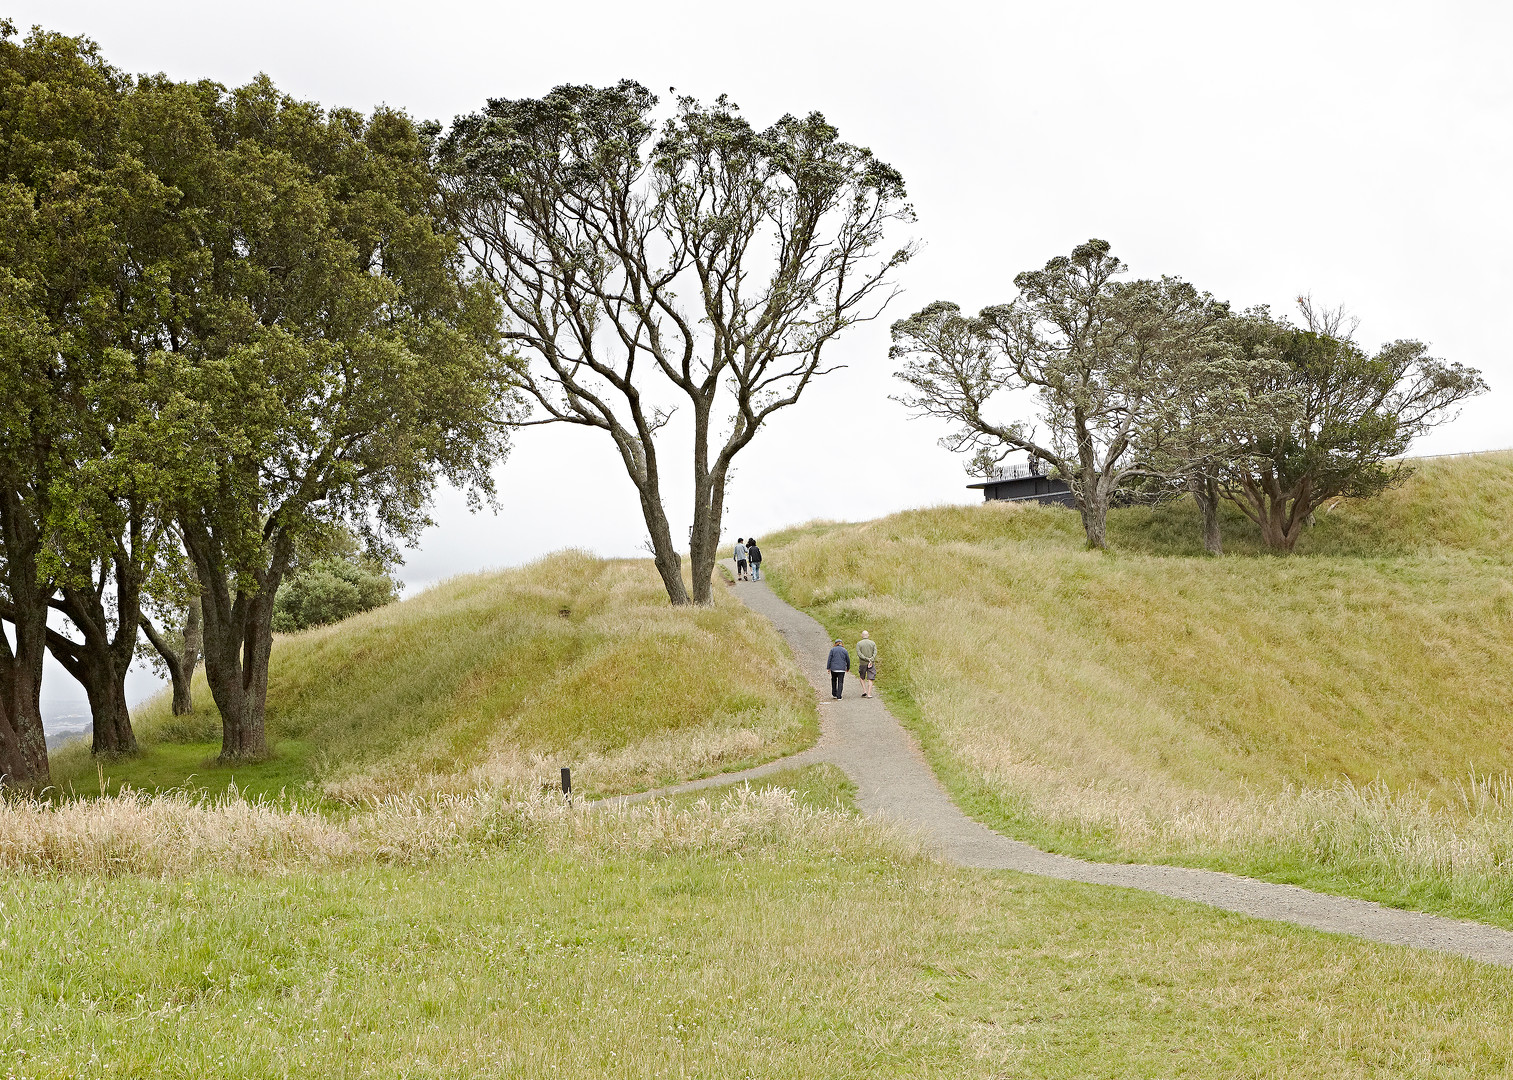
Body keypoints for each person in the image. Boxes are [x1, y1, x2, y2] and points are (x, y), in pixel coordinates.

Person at [856, 630, 878, 697]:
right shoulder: (872, 643)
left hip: (862, 663)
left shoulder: (859, 644)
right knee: (870, 678)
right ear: (868, 635)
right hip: (871, 663)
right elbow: (875, 652)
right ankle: (869, 693)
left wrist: (866, 658)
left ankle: (864, 690)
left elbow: (859, 654)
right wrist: (871, 659)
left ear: (862, 635)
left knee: (862, 677)